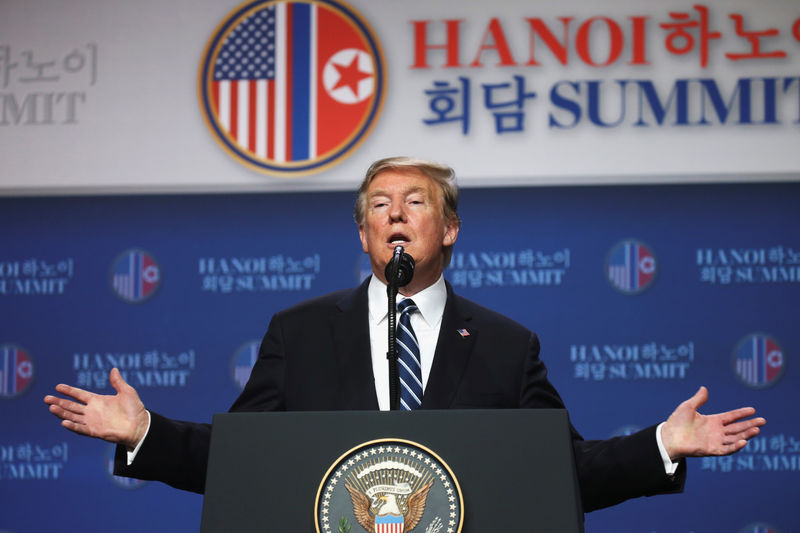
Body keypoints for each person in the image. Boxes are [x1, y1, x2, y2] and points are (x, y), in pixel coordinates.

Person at [44, 156, 765, 512]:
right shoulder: (299, 332)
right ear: (362, 232)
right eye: (379, 205)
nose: (395, 214)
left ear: (448, 227)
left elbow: (557, 471)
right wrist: (146, 433)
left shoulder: (507, 343)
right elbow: (245, 462)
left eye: (415, 201)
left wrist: (663, 445)